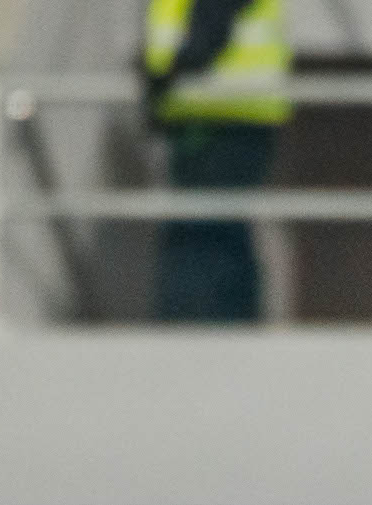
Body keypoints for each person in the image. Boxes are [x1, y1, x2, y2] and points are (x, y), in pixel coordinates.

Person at [141, 0, 292, 321]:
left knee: (205, 232)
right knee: (218, 229)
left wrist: (171, 74)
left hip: (220, 113)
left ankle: (200, 330)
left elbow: (212, 20)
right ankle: (223, 327)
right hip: (217, 113)